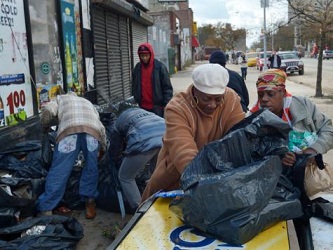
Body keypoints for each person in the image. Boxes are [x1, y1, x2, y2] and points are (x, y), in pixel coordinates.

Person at [141, 64, 245, 202]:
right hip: (176, 175)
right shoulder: (177, 107)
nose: (212, 105)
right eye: (206, 99)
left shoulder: (231, 100)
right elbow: (183, 150)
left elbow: (238, 138)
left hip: (218, 176)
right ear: (195, 91)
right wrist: (200, 185)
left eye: (218, 99)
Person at [37, 91, 107, 219]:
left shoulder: (59, 99)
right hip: (92, 132)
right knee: (91, 167)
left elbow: (47, 110)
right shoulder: (87, 102)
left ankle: (47, 208)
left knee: (60, 170)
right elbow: (100, 126)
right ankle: (89, 203)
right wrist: (103, 147)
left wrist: (44, 126)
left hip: (69, 133)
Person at [249, 68, 333, 169]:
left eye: (270, 94)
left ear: (283, 93)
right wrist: (276, 158)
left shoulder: (304, 106)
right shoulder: (252, 119)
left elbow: (328, 130)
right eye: (260, 95)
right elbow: (248, 153)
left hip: (305, 173)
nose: (264, 99)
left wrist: (314, 150)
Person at [109, 106, 166, 213]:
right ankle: (159, 204)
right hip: (165, 136)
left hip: (144, 141)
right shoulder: (143, 112)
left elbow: (115, 148)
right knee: (155, 174)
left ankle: (140, 212)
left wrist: (114, 159)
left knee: (125, 176)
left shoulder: (119, 121)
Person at [132, 43, 173, 117]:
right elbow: (134, 85)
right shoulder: (137, 68)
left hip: (157, 108)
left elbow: (167, 88)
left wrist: (166, 104)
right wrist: (135, 99)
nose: (144, 58)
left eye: (146, 55)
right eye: (142, 56)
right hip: (142, 107)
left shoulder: (160, 67)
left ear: (151, 55)